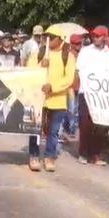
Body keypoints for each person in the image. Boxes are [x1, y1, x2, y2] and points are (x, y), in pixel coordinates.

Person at [75, 26, 109, 166]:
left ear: (105, 37)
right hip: (86, 92)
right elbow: (79, 70)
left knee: (100, 125)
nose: (95, 38)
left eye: (98, 36)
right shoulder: (85, 51)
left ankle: (96, 154)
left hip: (102, 94)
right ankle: (83, 153)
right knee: (85, 124)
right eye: (94, 35)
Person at [35, 29, 76, 172]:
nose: (49, 40)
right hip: (39, 99)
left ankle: (49, 156)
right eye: (47, 37)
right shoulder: (39, 53)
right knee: (35, 129)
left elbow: (69, 79)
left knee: (53, 131)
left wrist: (52, 87)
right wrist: (41, 65)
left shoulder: (68, 56)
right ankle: (34, 156)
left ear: (60, 39)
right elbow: (29, 71)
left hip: (58, 100)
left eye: (52, 37)